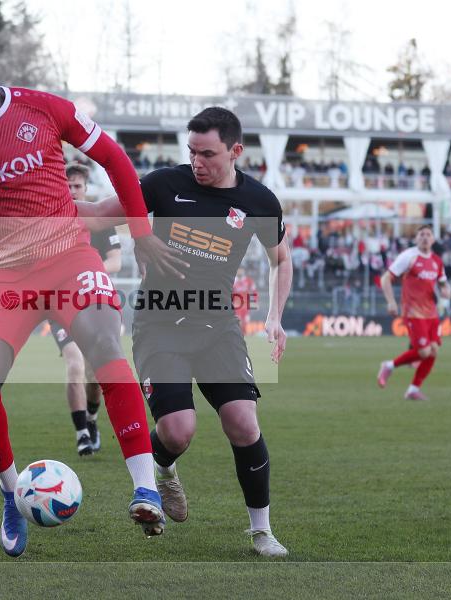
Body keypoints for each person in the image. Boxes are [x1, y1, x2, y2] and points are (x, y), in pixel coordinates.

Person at [0, 39, 187, 557]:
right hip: (6, 277)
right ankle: (12, 494)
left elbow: (114, 159)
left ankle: (145, 489)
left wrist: (140, 233)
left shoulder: (44, 108)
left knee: (105, 347)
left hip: (70, 258)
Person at [77, 107, 292, 556]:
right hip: (160, 324)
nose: (197, 162)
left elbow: (281, 259)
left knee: (243, 423)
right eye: (191, 151)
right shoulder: (164, 184)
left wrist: (275, 315)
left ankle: (262, 532)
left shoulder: (260, 201)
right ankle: (164, 469)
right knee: (177, 431)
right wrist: (33, 203)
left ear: (235, 151)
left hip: (218, 325)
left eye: (207, 154)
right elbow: (97, 215)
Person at [49, 163, 123, 457]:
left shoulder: (98, 220)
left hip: (95, 303)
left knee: (94, 374)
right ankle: (81, 433)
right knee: (75, 365)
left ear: (85, 188)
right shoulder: (51, 221)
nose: (72, 190)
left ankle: (92, 419)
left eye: (77, 186)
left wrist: (84, 271)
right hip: (62, 304)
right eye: (67, 185)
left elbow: (116, 261)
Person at [376, 225, 451, 401]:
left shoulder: (437, 261)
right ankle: (389, 365)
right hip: (413, 312)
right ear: (416, 238)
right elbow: (386, 278)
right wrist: (391, 301)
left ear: (433, 239)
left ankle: (413, 389)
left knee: (433, 351)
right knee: (424, 352)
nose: (425, 237)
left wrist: (447, 291)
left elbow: (443, 283)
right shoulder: (408, 256)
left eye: (428, 234)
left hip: (432, 313)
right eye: (421, 234)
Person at [232, 266, 258, 335]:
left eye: (241, 271)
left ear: (243, 272)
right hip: (236, 304)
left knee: (246, 319)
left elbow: (254, 291)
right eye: (238, 271)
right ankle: (238, 333)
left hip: (246, 304)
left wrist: (255, 301)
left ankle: (245, 334)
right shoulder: (233, 281)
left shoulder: (249, 281)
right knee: (238, 319)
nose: (240, 272)